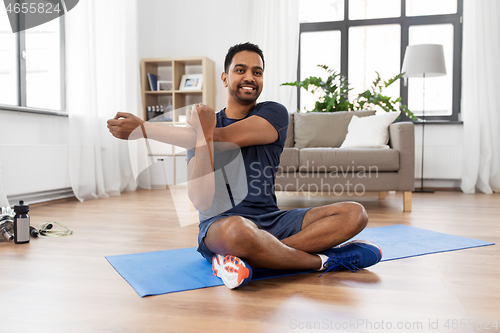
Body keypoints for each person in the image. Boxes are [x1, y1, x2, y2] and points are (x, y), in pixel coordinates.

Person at [107, 42, 382, 290]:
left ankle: (256, 258)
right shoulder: (200, 129)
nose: (250, 77)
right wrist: (201, 134)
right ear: (225, 77)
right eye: (240, 70)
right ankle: (319, 262)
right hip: (221, 227)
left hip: (271, 220)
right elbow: (201, 201)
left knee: (355, 213)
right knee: (239, 230)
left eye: (257, 72)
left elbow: (225, 136)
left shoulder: (273, 112)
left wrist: (145, 128)